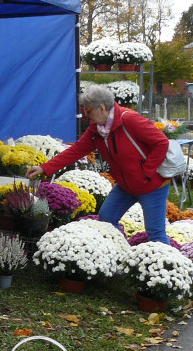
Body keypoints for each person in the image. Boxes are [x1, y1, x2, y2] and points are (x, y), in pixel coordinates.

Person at [26, 83, 172, 244]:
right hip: (126, 185)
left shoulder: (129, 119)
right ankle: (123, 253)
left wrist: (146, 172)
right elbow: (76, 151)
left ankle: (173, 267)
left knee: (156, 233)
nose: (87, 116)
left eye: (88, 111)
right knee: (107, 218)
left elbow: (161, 142)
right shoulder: (96, 129)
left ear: (101, 107)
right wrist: (44, 168)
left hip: (152, 185)